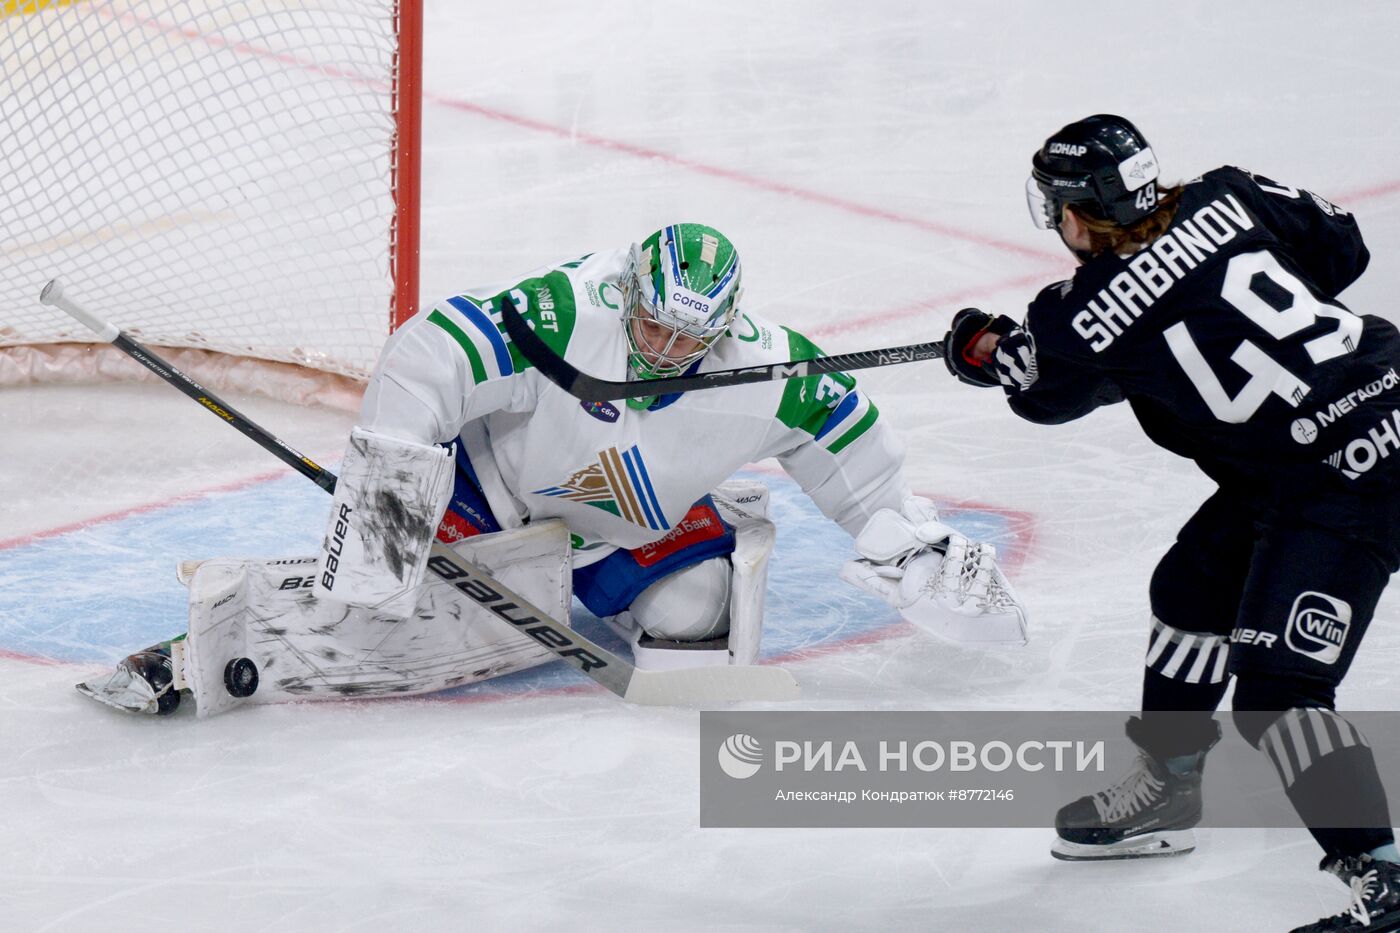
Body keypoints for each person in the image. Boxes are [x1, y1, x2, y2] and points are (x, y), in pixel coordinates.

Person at [78, 222, 1025, 717]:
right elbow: (427, 353)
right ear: (631, 289)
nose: (663, 345)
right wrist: (388, 503)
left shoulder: (767, 366)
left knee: (694, 615)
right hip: (491, 496)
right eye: (653, 321)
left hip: (631, 528)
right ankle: (196, 652)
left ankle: (688, 543)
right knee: (383, 616)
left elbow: (854, 449)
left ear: (726, 323)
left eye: (689, 334)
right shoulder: (565, 308)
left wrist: (907, 540)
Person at [942, 114, 1400, 931]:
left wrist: (985, 351)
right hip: (1349, 422)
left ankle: (1386, 879)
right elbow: (1344, 250)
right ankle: (1170, 783)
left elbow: (1043, 392)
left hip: (1342, 480)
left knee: (1279, 691)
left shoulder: (1077, 316)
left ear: (1077, 215)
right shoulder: (1235, 191)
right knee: (1191, 588)